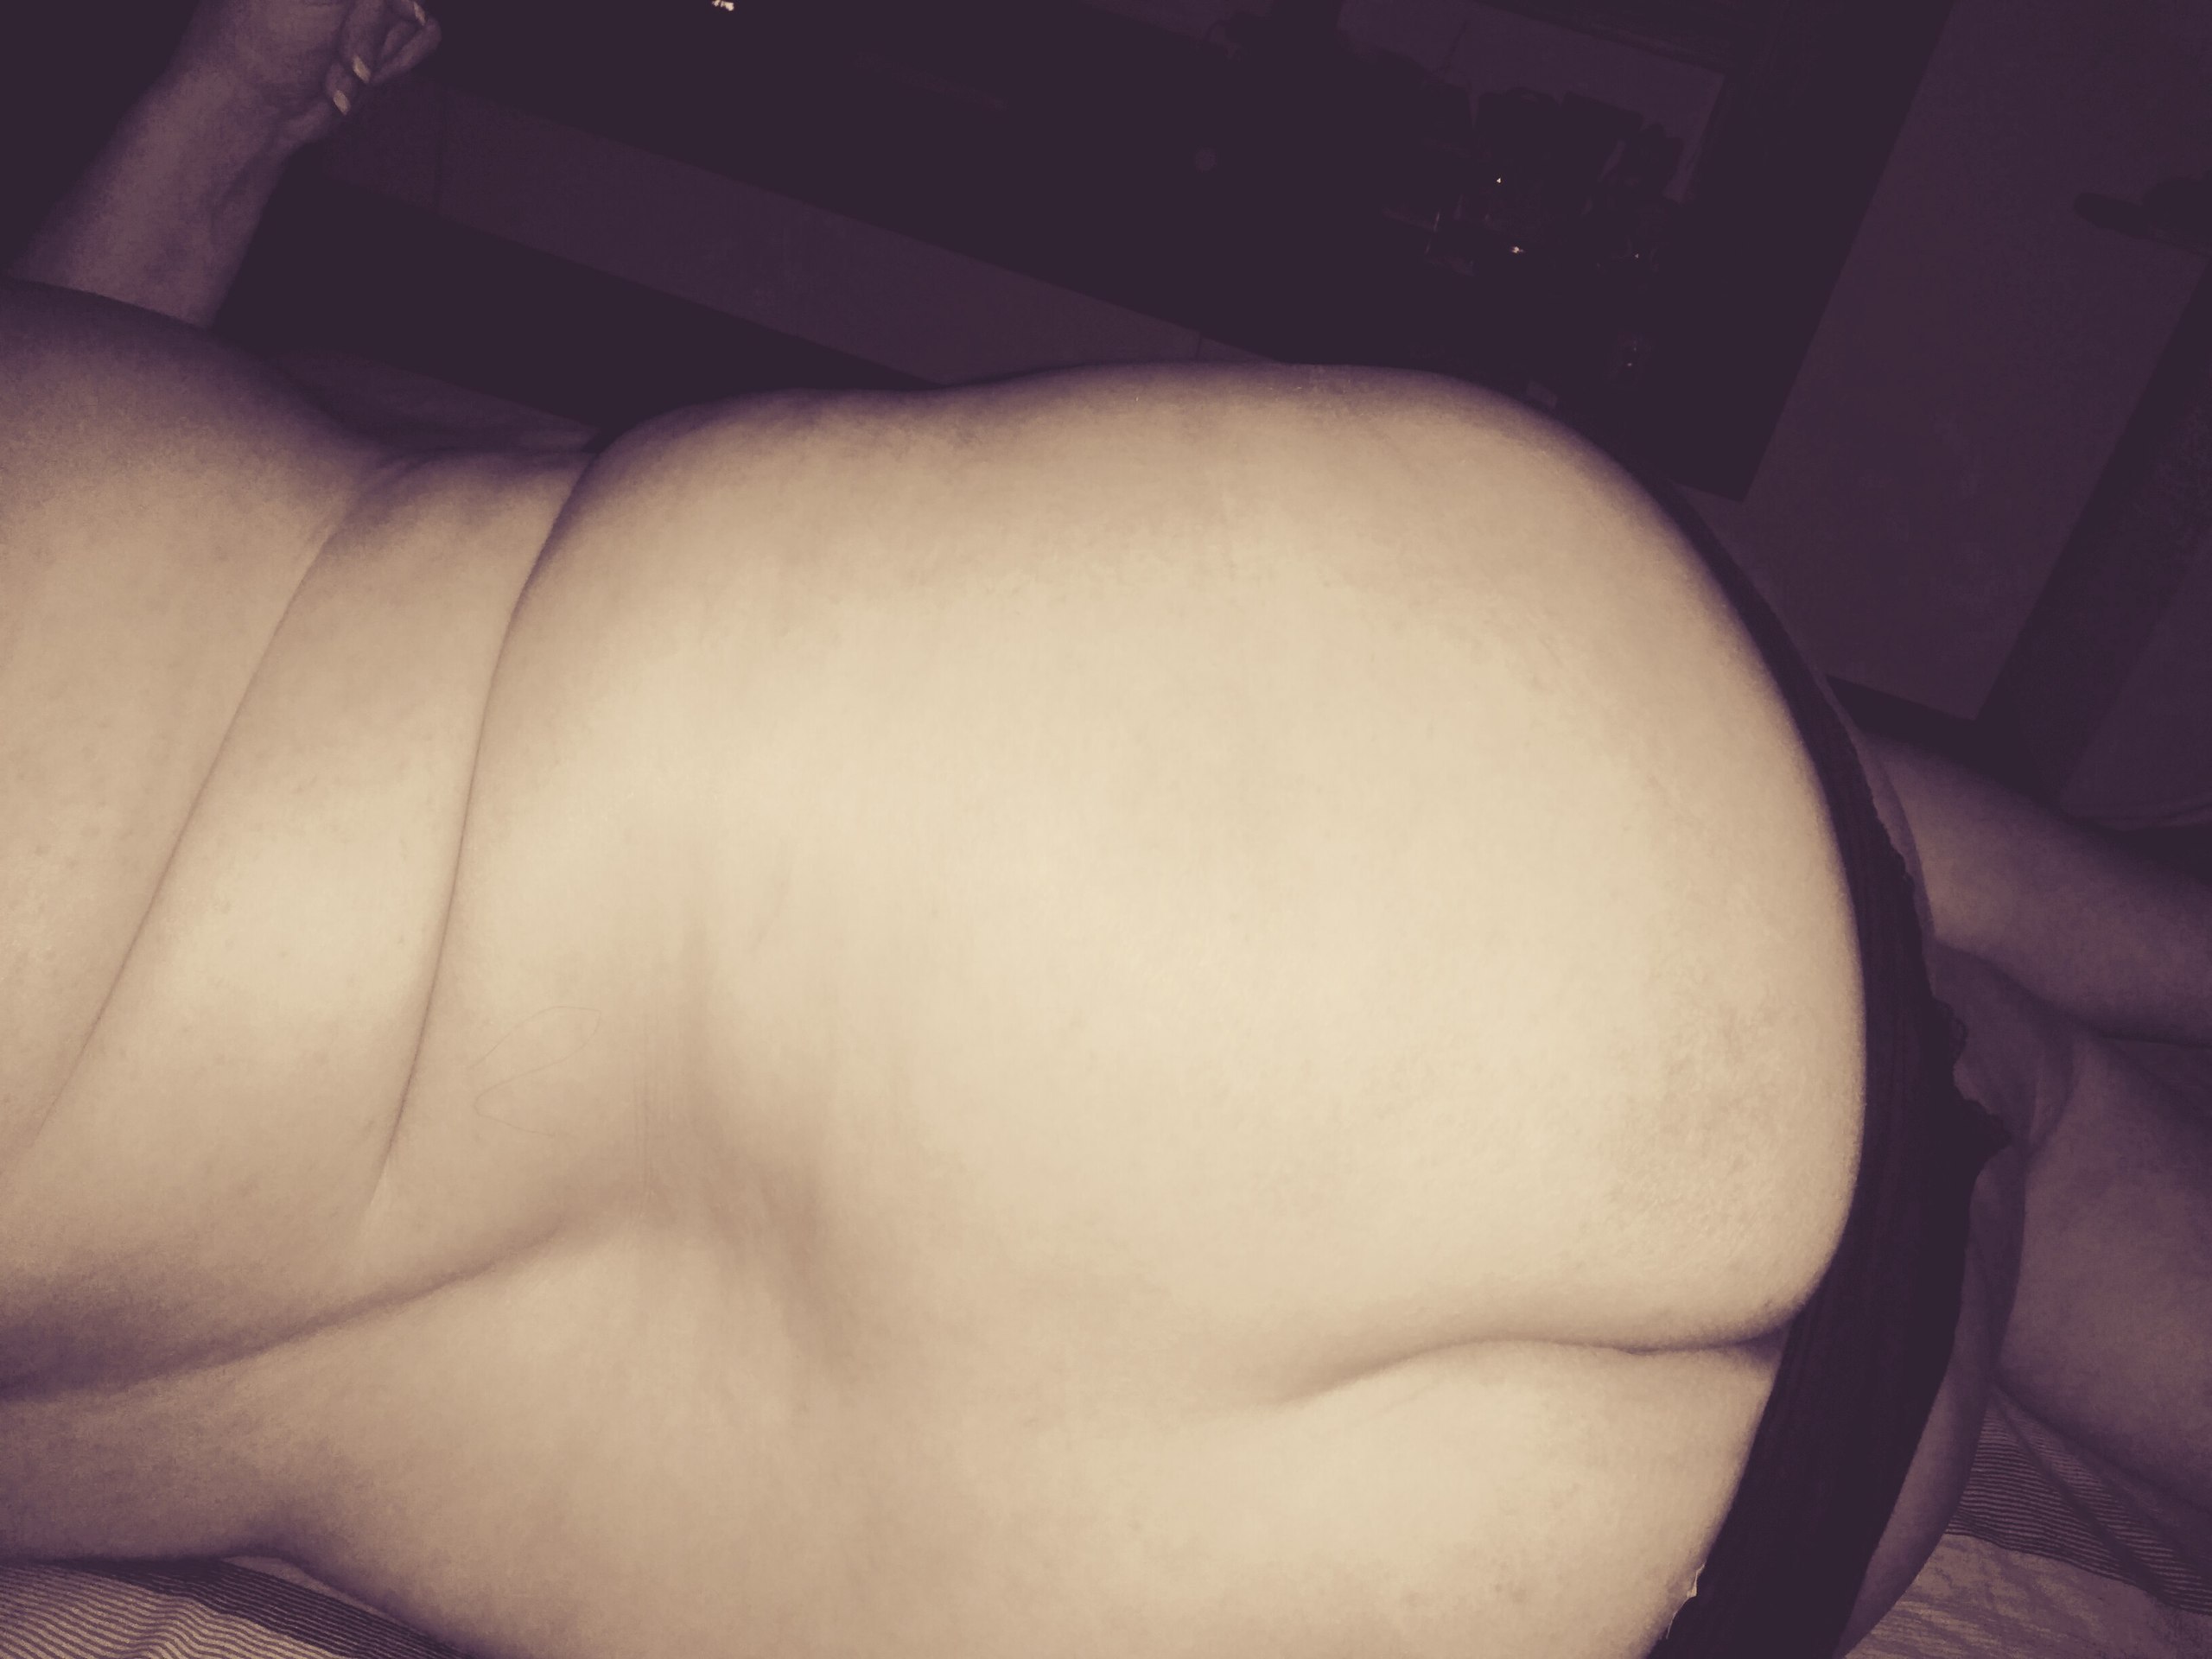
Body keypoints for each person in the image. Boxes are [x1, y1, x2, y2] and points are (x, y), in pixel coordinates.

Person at [3, 3, 2209, 1656]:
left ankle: (2021, 1065)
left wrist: (230, 96)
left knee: (1977, 1058)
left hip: (1531, 1577)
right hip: (1483, 869)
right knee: (1897, 924)